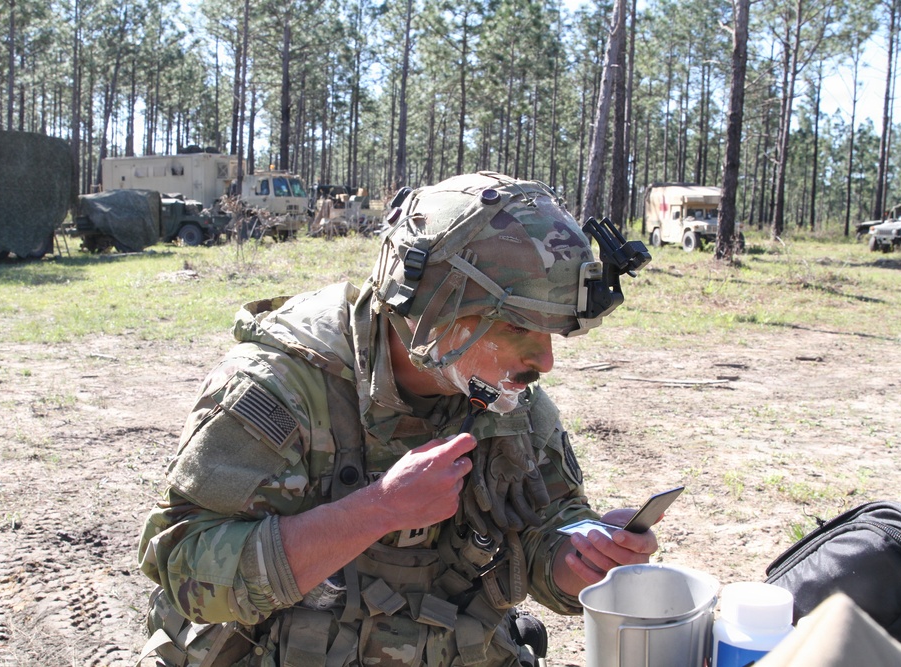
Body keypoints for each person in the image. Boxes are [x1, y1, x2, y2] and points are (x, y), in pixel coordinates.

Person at [137, 171, 658, 667]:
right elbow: (184, 569)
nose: (545, 361)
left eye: (552, 331)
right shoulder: (280, 387)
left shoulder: (505, 398)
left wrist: (580, 559)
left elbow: (546, 526)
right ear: (434, 308)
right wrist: (378, 509)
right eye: (519, 328)